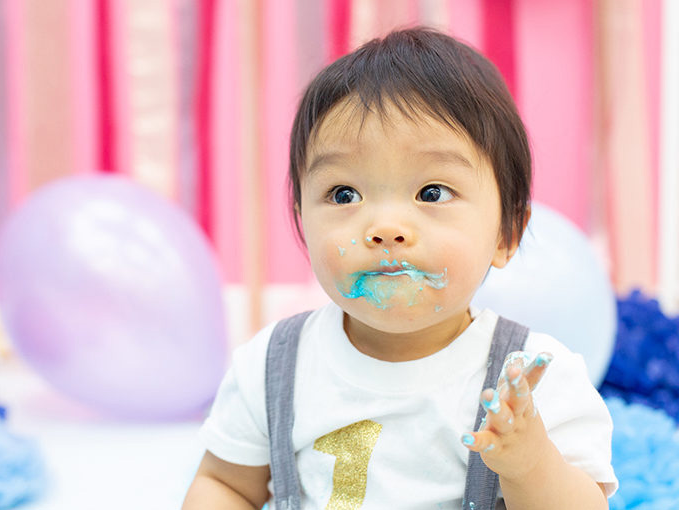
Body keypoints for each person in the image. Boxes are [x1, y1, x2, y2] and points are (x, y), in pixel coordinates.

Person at [183, 27, 617, 510]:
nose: (386, 228)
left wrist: (529, 461)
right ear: (303, 225)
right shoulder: (273, 366)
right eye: (344, 194)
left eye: (432, 192)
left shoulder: (531, 383)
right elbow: (224, 485)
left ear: (506, 233)